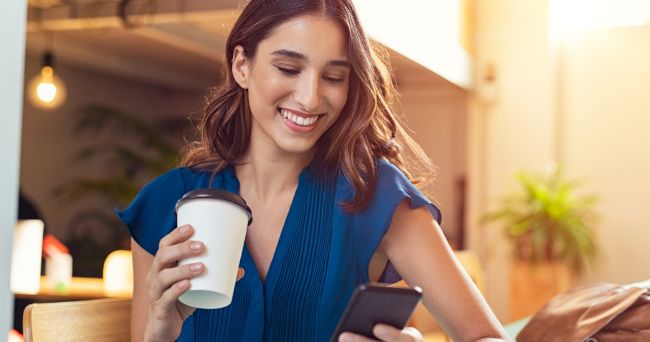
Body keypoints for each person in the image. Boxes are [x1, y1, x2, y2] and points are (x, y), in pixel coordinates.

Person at [117, 0, 509, 341]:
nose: (310, 98)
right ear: (241, 65)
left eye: (334, 77)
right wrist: (158, 334)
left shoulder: (377, 197)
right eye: (288, 68)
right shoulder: (166, 205)